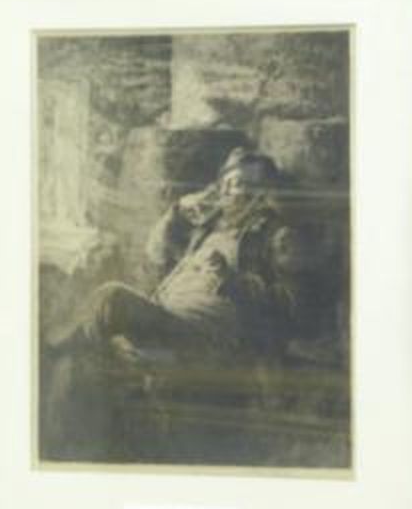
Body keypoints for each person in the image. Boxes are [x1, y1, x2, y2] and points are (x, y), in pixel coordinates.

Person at [46, 148, 298, 368]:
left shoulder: (274, 235)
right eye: (224, 183)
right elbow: (155, 254)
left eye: (238, 184)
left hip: (206, 333)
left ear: (260, 193)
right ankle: (60, 354)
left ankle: (53, 353)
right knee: (97, 331)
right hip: (169, 317)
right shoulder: (206, 230)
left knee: (111, 298)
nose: (226, 192)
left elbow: (288, 306)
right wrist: (175, 212)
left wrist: (231, 280)